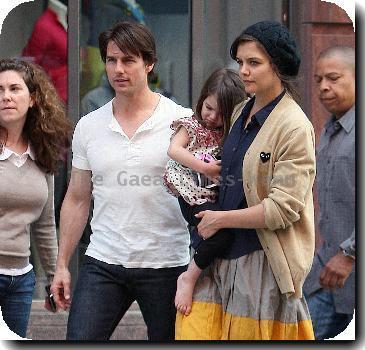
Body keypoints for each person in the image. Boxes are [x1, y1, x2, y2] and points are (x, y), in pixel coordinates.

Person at [50, 21, 193, 341]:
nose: (118, 69)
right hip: (105, 260)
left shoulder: (181, 120)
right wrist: (61, 264)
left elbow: (201, 193)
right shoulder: (89, 126)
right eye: (111, 60)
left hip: (167, 262)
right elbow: (76, 198)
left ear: (149, 63)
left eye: (128, 60)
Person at [175, 20, 316, 340]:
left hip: (260, 262)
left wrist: (221, 219)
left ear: (278, 66)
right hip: (214, 254)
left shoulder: (294, 126)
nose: (244, 71)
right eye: (240, 62)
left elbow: (283, 210)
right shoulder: (240, 111)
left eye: (254, 63)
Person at [163, 68, 246, 316]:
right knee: (221, 236)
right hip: (191, 192)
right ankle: (188, 278)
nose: (211, 117)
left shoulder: (228, 134)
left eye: (221, 114)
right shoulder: (191, 125)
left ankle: (195, 274)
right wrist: (204, 168)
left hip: (211, 195)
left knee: (222, 236)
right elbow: (173, 151)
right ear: (201, 99)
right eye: (208, 108)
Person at [0, 58, 71, 337]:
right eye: (0, 89)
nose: (6, 96)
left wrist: (55, 277)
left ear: (32, 99)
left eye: (15, 89)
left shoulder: (41, 153)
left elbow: (44, 224)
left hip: (21, 280)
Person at [303, 46, 355, 340]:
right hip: (328, 273)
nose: (324, 87)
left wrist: (349, 254)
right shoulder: (329, 131)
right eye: (319, 79)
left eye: (333, 78)